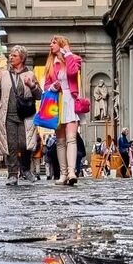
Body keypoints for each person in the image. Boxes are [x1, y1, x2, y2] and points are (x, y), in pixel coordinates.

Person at [0, 44, 42, 187]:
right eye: (10, 55)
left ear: (22, 58)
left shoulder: (30, 75)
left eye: (14, 55)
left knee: (24, 144)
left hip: (25, 116)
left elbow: (39, 95)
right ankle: (12, 175)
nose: (11, 57)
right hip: (8, 116)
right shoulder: (5, 75)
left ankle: (25, 169)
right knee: (11, 145)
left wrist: (32, 86)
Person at [43, 35, 83, 186]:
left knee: (71, 138)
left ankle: (72, 172)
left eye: (53, 42)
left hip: (70, 100)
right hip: (56, 101)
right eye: (50, 42)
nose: (50, 45)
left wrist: (67, 53)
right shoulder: (50, 65)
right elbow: (45, 86)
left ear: (61, 44)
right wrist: (52, 87)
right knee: (60, 141)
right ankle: (63, 174)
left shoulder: (74, 59)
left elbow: (72, 73)